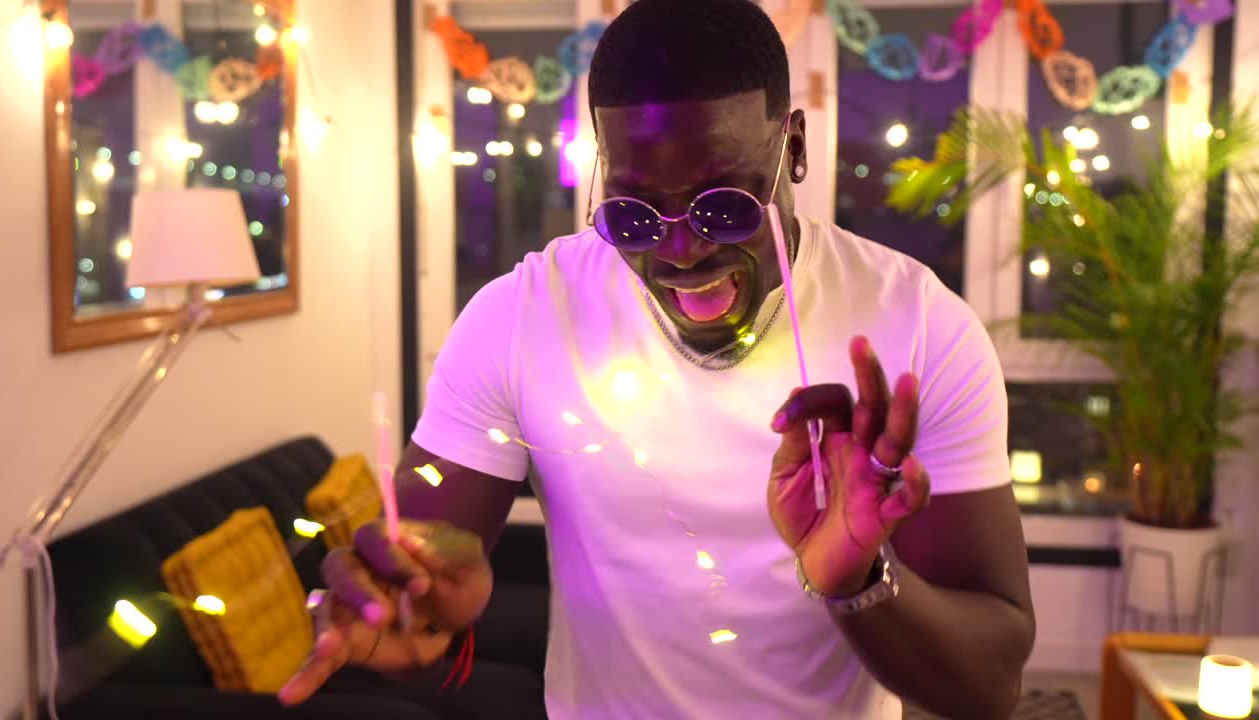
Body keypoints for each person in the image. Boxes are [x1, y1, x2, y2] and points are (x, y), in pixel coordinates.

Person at [279, 0, 1036, 717]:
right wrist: (406, 606)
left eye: (725, 205)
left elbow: (989, 687)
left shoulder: (918, 327)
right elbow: (420, 580)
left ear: (794, 149)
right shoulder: (521, 318)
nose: (682, 251)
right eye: (634, 215)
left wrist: (859, 581)